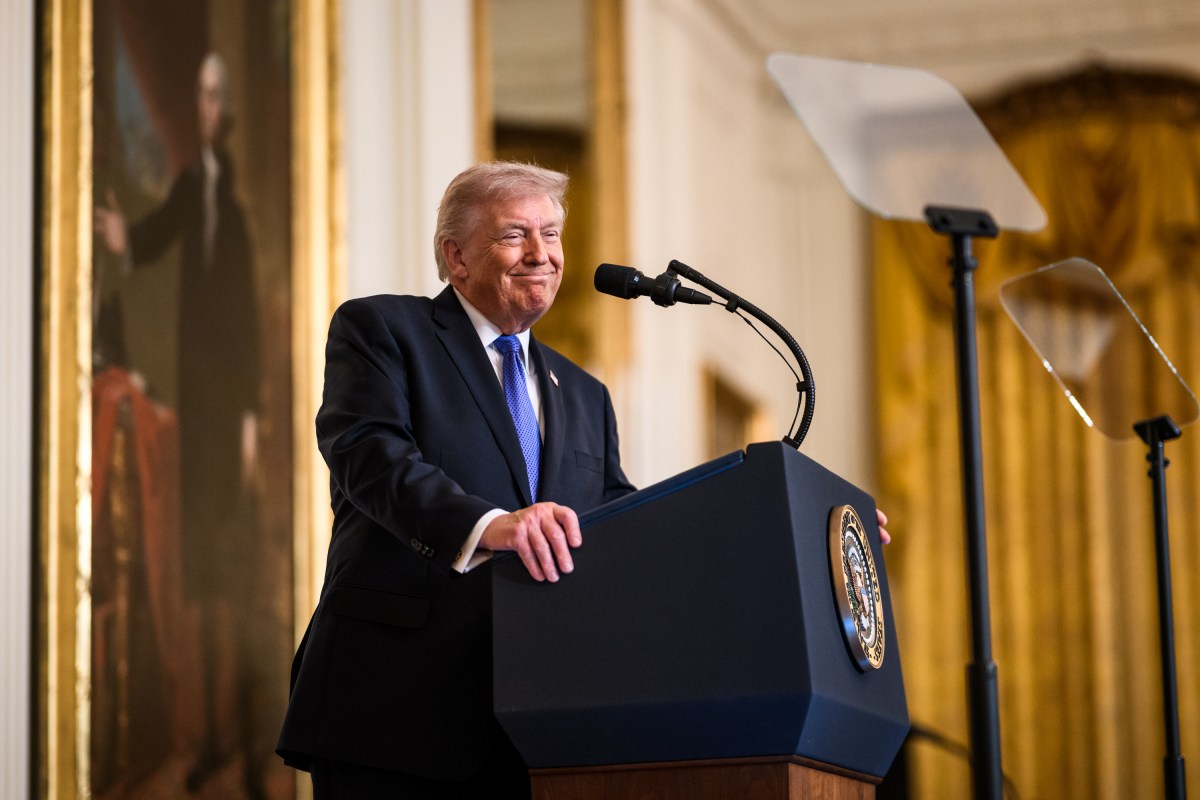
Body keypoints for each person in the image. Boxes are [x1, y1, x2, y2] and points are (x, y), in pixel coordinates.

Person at [276, 161, 636, 798]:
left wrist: (769, 538)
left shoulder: (585, 395)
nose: (541, 255)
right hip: (395, 711)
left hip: (541, 731)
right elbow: (369, 454)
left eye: (551, 235)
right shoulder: (383, 330)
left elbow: (623, 525)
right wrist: (489, 526)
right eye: (514, 236)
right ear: (457, 256)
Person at [94, 52, 265, 797]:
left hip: (230, 416)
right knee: (197, 572)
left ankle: (247, 745)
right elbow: (153, 236)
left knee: (232, 571)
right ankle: (206, 738)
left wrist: (253, 416)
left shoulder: (235, 209)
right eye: (197, 92)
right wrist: (116, 233)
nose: (204, 106)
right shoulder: (191, 188)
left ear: (222, 110)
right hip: (194, 411)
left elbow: (250, 318)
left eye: (213, 95)